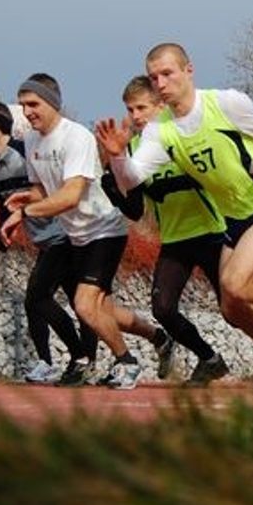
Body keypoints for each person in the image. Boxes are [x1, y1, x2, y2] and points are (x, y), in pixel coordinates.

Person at [97, 43, 253, 386]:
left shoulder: (224, 102)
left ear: (189, 70)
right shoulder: (161, 131)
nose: (160, 82)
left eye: (167, 73)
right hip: (234, 219)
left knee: (235, 283)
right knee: (231, 307)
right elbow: (131, 178)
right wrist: (116, 155)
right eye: (153, 76)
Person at [0, 74, 172, 390]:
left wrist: (23, 213)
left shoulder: (75, 137)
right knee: (102, 310)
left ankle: (126, 363)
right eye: (23, 105)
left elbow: (70, 195)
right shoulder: (32, 140)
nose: (27, 112)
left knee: (84, 305)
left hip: (104, 230)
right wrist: (27, 197)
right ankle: (158, 336)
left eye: (33, 104)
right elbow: (45, 190)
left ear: (52, 103)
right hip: (75, 234)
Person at [101, 77, 231, 387]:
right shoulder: (131, 149)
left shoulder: (180, 135)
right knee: (162, 309)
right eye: (130, 109)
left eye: (142, 107)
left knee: (233, 306)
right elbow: (134, 210)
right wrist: (113, 186)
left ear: (161, 106)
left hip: (212, 232)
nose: (136, 115)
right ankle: (210, 359)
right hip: (174, 240)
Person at [0, 101, 96, 384]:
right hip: (45, 241)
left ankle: (82, 359)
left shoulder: (24, 151)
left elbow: (53, 187)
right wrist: (1, 230)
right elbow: (3, 204)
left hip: (65, 235)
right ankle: (56, 363)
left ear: (1, 127)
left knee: (40, 299)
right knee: (68, 304)